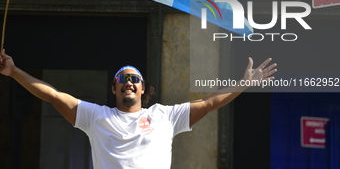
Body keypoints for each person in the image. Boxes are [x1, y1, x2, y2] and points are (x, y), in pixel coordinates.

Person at [0, 49, 277, 169]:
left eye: (134, 79)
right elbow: (54, 96)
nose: (128, 83)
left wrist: (243, 84)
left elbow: (209, 103)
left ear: (143, 88)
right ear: (114, 88)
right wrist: (14, 72)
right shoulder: (96, 117)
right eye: (122, 79)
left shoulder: (165, 116)